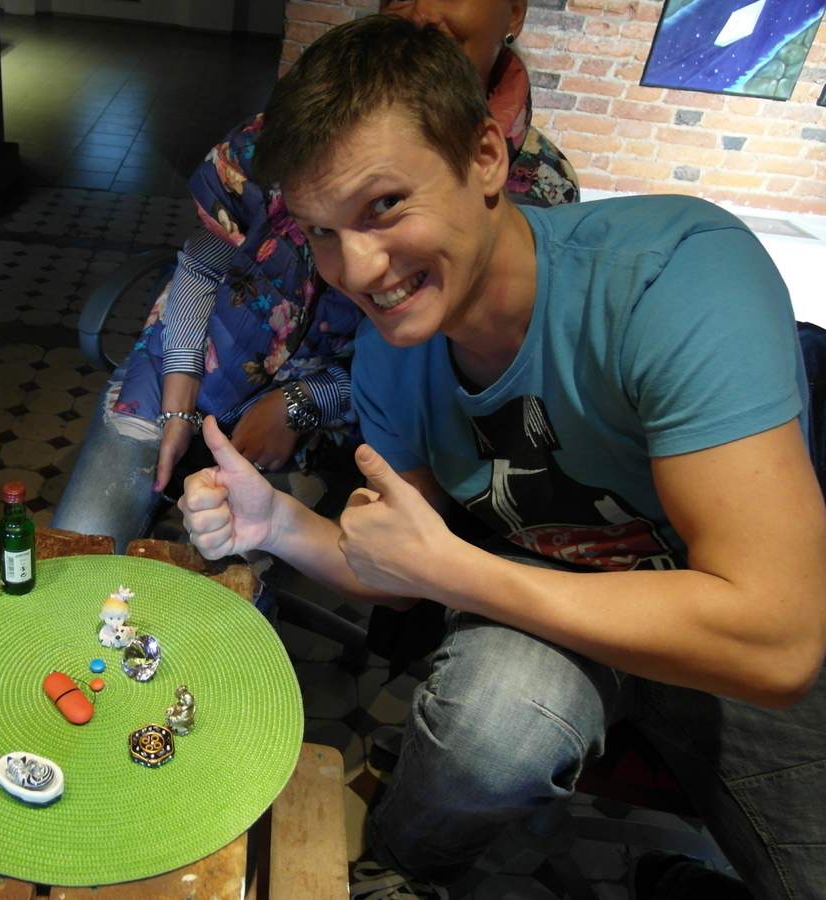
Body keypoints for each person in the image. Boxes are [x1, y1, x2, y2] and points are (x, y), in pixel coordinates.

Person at [179, 16, 826, 899]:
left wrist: (460, 573)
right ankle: (405, 867)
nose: (357, 270)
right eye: (322, 232)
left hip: (719, 618)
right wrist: (278, 523)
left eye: (385, 205)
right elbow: (400, 561)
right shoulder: (392, 348)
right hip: (545, 611)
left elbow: (778, 643)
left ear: (486, 156)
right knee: (490, 733)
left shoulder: (673, 278)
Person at [51, 0, 579, 559]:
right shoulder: (283, 137)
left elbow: (447, 376)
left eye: (388, 203)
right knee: (77, 550)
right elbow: (203, 265)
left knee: (226, 582)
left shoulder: (536, 193)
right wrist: (179, 399)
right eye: (321, 229)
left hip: (327, 433)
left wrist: (303, 404)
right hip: (180, 372)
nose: (421, 11)